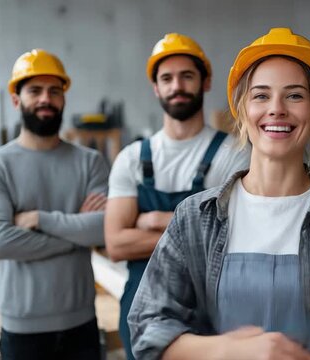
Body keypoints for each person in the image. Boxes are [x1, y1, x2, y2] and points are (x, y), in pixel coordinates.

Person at [128, 27, 310, 360]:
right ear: (242, 111)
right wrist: (227, 350)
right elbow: (147, 328)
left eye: (295, 95)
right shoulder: (196, 217)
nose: (277, 109)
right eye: (261, 95)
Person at [104, 33, 250, 359]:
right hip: (143, 305)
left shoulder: (235, 153)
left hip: (215, 306)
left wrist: (153, 221)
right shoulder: (131, 158)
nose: (177, 86)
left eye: (187, 76)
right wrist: (197, 230)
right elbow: (115, 244)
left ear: (206, 81)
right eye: (166, 78)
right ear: (156, 88)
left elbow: (238, 234)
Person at [0, 49, 110, 359]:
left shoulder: (90, 162)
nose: (45, 99)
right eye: (34, 90)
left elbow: (104, 229)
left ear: (63, 99)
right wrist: (77, 234)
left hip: (82, 324)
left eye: (54, 91)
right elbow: (0, 243)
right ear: (16, 100)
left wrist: (40, 219)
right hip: (22, 330)